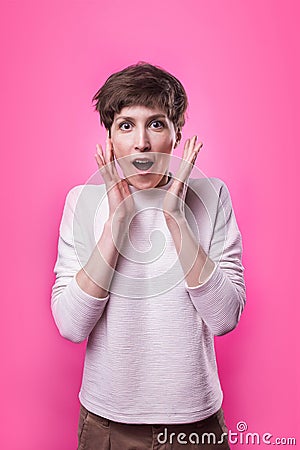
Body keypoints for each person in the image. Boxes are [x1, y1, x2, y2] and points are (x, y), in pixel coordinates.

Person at [51, 62, 246, 449]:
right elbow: (71, 326)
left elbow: (225, 318)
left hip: (196, 422)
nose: (141, 142)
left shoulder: (212, 195)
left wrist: (175, 216)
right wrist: (117, 222)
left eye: (156, 124)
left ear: (176, 135)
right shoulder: (83, 201)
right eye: (126, 125)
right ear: (109, 138)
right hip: (108, 423)